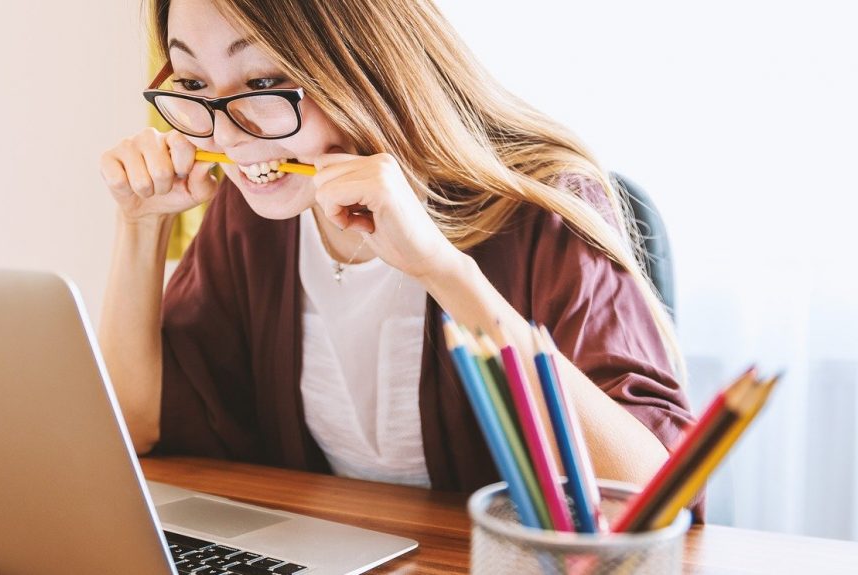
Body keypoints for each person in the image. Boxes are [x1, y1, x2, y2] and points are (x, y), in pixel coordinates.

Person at [98, 0, 698, 511]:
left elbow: (653, 497)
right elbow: (136, 425)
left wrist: (441, 270)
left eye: (262, 84)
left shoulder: (543, 207)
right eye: (194, 84)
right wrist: (140, 225)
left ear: (364, 64)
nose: (225, 136)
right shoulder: (255, 214)